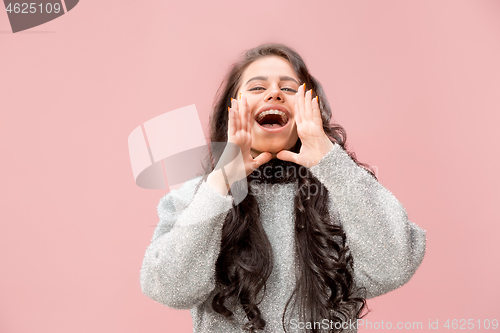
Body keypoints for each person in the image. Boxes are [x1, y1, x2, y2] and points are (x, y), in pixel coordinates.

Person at [140, 43, 426, 333]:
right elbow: (170, 289)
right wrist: (221, 183)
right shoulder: (196, 197)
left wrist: (330, 161)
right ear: (232, 110)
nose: (274, 93)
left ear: (311, 110)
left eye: (289, 89)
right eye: (256, 88)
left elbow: (394, 266)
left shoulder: (342, 192)